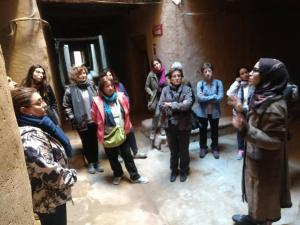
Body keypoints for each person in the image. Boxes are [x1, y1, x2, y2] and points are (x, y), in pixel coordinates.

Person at [230, 58, 292, 225]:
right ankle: (253, 217)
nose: (250, 73)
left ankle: (263, 221)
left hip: (267, 163)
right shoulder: (262, 94)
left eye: (256, 70)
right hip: (256, 157)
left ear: (268, 76)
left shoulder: (275, 106)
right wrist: (241, 108)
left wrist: (245, 129)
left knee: (265, 199)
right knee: (255, 193)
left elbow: (275, 141)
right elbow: (257, 117)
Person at [11, 87, 77, 225]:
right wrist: (71, 176)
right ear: (24, 110)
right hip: (49, 200)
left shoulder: (39, 124)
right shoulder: (30, 137)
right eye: (38, 103)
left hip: (53, 195)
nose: (45, 105)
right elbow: (49, 171)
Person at [91, 76, 149, 185]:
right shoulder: (97, 102)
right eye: (107, 86)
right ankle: (118, 174)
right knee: (113, 158)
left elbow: (127, 111)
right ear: (102, 89)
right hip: (108, 135)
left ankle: (135, 176)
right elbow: (94, 117)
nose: (110, 88)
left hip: (123, 132)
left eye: (112, 85)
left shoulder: (121, 97)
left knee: (127, 155)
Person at [63, 65, 103, 174]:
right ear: (75, 76)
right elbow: (66, 106)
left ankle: (96, 161)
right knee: (86, 142)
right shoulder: (70, 90)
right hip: (81, 121)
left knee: (94, 141)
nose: (83, 75)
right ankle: (90, 162)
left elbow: (99, 99)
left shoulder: (91, 85)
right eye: (80, 74)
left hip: (93, 119)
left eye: (84, 73)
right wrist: (72, 118)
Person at [101, 69, 147, 159]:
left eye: (110, 75)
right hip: (112, 117)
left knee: (130, 132)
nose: (109, 77)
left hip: (123, 115)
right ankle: (119, 154)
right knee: (116, 136)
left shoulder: (119, 85)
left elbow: (126, 95)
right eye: (106, 75)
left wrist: (127, 106)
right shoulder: (103, 89)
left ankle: (135, 152)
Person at [159, 67, 194, 182]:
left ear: (182, 77)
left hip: (184, 124)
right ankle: (174, 170)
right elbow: (161, 105)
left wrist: (171, 105)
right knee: (174, 151)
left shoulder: (187, 89)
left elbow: (187, 105)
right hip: (169, 125)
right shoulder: (165, 90)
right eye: (174, 76)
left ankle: (184, 170)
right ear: (169, 79)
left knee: (184, 150)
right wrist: (178, 106)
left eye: (179, 75)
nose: (177, 78)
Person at [195, 62, 223, 159]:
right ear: (202, 73)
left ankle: (214, 148)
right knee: (202, 131)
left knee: (214, 131)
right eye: (205, 71)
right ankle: (203, 148)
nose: (208, 73)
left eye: (209, 71)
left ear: (212, 72)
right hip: (202, 113)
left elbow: (220, 97)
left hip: (215, 113)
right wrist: (213, 96)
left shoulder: (218, 83)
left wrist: (206, 97)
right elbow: (199, 98)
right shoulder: (200, 84)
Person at [226, 67, 254, 160]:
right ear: (239, 76)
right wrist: (236, 82)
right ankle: (241, 150)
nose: (245, 74)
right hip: (239, 112)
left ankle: (250, 149)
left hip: (250, 111)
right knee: (240, 131)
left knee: (251, 130)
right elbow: (229, 93)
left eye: (246, 72)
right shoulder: (238, 85)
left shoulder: (253, 84)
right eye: (242, 73)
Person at [145, 58, 167, 146]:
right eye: (154, 65)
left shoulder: (165, 72)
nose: (156, 66)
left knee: (164, 113)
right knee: (157, 114)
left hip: (165, 96)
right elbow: (146, 86)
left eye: (157, 63)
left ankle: (162, 128)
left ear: (160, 63)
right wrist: (151, 93)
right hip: (157, 97)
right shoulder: (151, 74)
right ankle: (153, 131)